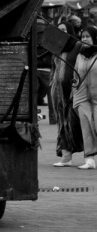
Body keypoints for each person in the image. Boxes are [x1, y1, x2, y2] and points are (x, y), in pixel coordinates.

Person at [52, 22, 84, 166]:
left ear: (70, 31)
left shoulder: (78, 46)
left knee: (77, 123)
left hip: (73, 92)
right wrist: (51, 83)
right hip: (57, 93)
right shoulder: (56, 46)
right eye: (59, 30)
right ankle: (66, 157)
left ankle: (89, 156)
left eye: (64, 29)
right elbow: (54, 67)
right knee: (62, 123)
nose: (61, 32)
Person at [73, 26, 97, 169]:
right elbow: (76, 76)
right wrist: (74, 91)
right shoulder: (79, 55)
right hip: (81, 97)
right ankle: (89, 159)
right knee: (86, 126)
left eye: (88, 36)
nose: (85, 39)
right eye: (82, 37)